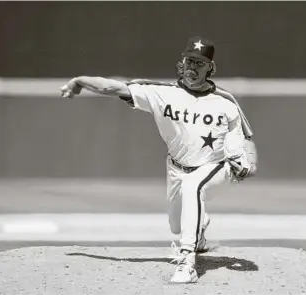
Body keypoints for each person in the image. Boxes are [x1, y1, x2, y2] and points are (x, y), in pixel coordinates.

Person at [60, 36, 258, 283]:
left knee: (192, 187)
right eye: (189, 61)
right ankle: (200, 232)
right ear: (180, 64)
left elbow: (246, 138)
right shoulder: (161, 94)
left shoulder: (225, 101)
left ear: (210, 68)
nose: (193, 67)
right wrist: (80, 81)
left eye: (200, 63)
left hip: (216, 167)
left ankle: (187, 263)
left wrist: (250, 162)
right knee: (176, 224)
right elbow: (112, 88)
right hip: (177, 168)